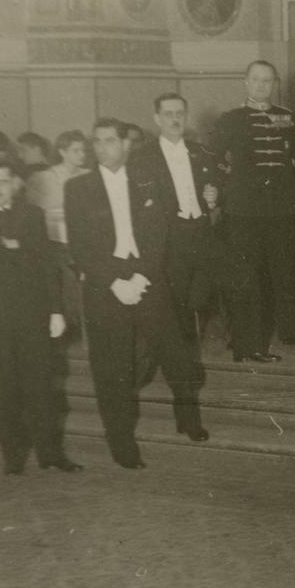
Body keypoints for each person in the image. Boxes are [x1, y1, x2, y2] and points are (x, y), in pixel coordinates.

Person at [66, 118, 207, 467]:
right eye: (97, 141)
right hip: (105, 286)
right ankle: (121, 442)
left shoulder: (148, 181)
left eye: (110, 141)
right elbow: (80, 247)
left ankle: (188, 418)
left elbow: (159, 235)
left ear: (125, 145)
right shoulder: (78, 187)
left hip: (147, 279)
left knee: (177, 355)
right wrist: (115, 283)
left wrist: (141, 278)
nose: (102, 148)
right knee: (112, 369)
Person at [0, 158, 81, 475]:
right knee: (3, 391)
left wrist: (56, 311)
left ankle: (51, 454)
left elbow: (47, 266)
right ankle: (13, 457)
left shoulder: (32, 215)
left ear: (14, 183)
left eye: (2, 181)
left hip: (32, 318)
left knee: (42, 389)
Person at [210, 60, 295, 361]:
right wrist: (231, 183)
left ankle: (290, 331)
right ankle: (245, 340)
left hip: (280, 208)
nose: (262, 85)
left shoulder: (288, 118)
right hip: (243, 210)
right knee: (246, 275)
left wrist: (291, 187)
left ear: (274, 83)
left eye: (267, 80)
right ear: (246, 82)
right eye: (256, 79)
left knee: (284, 271)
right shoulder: (231, 119)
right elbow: (214, 158)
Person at [128, 94, 225, 369]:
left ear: (186, 116)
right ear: (157, 119)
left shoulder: (200, 151)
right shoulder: (142, 157)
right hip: (168, 237)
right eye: (168, 114)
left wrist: (214, 197)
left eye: (180, 113)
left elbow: (216, 186)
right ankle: (179, 359)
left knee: (217, 286)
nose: (175, 119)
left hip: (202, 232)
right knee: (176, 297)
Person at [25, 130, 91, 332]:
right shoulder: (44, 177)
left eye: (83, 150)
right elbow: (34, 213)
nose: (82, 155)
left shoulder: (89, 175)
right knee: (67, 287)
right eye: (76, 150)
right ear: (62, 152)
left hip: (83, 240)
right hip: (55, 242)